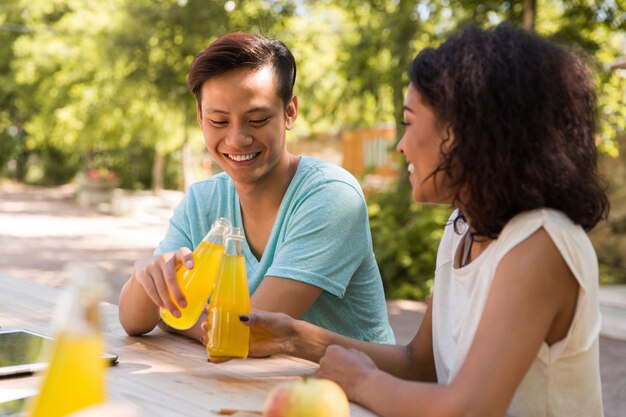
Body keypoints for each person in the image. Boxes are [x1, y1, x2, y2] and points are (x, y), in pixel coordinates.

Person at [237, 24, 608, 416]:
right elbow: (421, 364)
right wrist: (292, 337)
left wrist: (363, 381)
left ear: (465, 133)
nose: (400, 145)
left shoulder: (541, 244)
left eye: (410, 123)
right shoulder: (464, 228)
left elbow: (470, 409)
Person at [118, 32, 395, 346]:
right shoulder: (202, 201)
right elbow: (134, 320)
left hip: (352, 389)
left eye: (258, 119)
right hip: (254, 387)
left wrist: (173, 320)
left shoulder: (332, 196)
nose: (237, 139)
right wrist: (145, 277)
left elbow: (249, 333)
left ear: (289, 112)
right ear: (200, 118)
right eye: (219, 121)